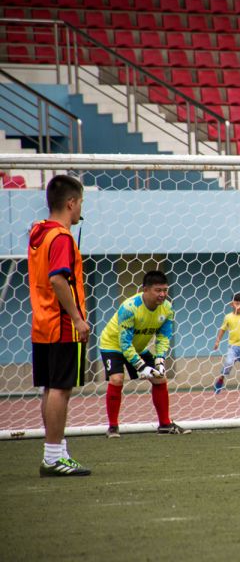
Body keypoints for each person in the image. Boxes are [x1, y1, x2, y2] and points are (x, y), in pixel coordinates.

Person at [28, 175, 91, 477]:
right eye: (80, 203)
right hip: (62, 323)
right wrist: (78, 318)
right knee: (60, 389)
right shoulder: (62, 237)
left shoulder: (38, 232)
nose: (80, 210)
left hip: (41, 322)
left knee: (50, 388)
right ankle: (53, 457)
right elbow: (57, 278)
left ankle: (56, 450)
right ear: (71, 203)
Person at [99, 270, 191, 438]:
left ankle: (164, 425)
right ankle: (112, 427)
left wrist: (160, 360)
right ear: (145, 289)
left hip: (138, 347)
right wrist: (141, 366)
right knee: (117, 379)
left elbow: (163, 336)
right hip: (113, 345)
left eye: (165, 290)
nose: (162, 294)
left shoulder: (167, 308)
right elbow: (125, 344)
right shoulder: (129, 308)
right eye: (158, 290)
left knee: (160, 378)